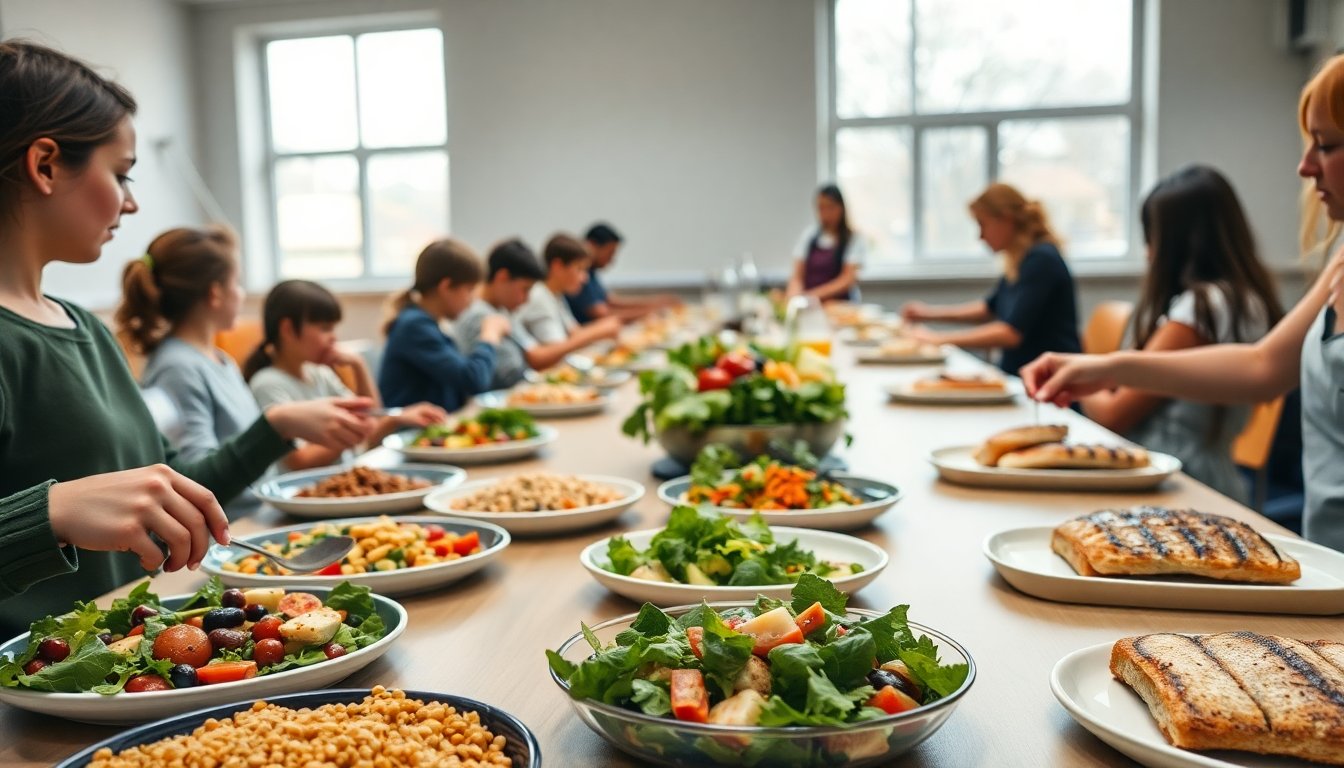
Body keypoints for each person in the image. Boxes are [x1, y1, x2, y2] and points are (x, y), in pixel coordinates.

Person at [0, 40, 373, 634]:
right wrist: (49, 514)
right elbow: (57, 517)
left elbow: (177, 488)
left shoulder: (86, 330)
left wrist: (272, 430)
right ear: (45, 165)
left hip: (116, 666)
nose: (131, 200)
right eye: (119, 174)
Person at [1022, 53, 1344, 550]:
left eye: (1324, 146)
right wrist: (1107, 366)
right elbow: (1262, 367)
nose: (1305, 167)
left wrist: (1110, 366)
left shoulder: (1204, 304)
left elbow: (1117, 416)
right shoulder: (1339, 259)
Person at [1076, 166, 1285, 503]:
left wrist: (1081, 366)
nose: (1147, 253)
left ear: (1175, 243)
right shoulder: (1240, 298)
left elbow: (1114, 413)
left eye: (1151, 238)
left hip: (1182, 482)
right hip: (1204, 474)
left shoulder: (1202, 308)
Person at [244, 280, 447, 470]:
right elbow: (299, 461)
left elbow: (370, 422)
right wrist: (353, 433)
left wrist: (359, 366)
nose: (334, 337)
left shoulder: (319, 373)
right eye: (325, 328)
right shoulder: (267, 383)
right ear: (287, 329)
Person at [901, 183, 1082, 376]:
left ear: (1006, 219)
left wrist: (939, 339)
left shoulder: (1041, 260)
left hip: (1045, 384)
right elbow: (988, 309)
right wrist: (927, 313)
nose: (980, 236)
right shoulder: (1022, 259)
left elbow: (1010, 333)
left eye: (982, 224)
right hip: (1021, 376)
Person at [457, 238, 620, 389]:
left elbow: (531, 351)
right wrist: (597, 333)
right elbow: (526, 365)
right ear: (502, 277)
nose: (527, 299)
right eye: (525, 289)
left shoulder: (503, 310)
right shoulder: (479, 316)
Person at [378, 238, 508, 411]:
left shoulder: (428, 322)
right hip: (412, 432)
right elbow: (472, 380)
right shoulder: (415, 326)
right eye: (469, 291)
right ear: (446, 287)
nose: (471, 302)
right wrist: (490, 336)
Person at [516, 233, 623, 349]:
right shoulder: (539, 296)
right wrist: (598, 331)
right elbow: (555, 349)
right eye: (579, 269)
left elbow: (575, 332)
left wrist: (602, 328)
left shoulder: (556, 295)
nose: (585, 278)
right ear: (557, 266)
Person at [564, 222, 680, 323]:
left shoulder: (591, 272)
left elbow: (611, 301)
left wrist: (654, 303)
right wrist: (651, 310)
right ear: (591, 245)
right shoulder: (580, 276)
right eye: (610, 253)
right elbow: (603, 314)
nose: (612, 260)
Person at [785, 184, 867, 303]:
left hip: (840, 305)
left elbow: (847, 279)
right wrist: (794, 298)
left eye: (830, 207)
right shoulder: (809, 236)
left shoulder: (854, 238)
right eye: (821, 208)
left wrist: (811, 296)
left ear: (841, 208)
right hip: (811, 305)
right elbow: (797, 275)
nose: (825, 213)